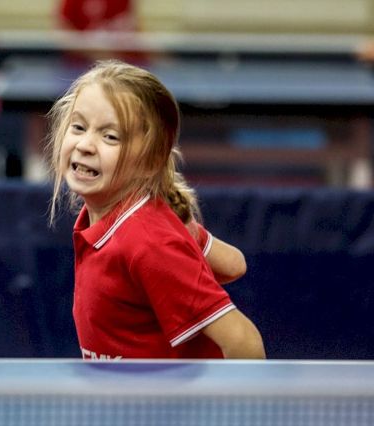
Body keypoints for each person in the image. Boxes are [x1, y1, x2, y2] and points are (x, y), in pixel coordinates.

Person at [47, 59, 265, 359]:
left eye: (110, 136)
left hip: (170, 394)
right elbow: (234, 265)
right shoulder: (119, 222)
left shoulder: (147, 242)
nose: (85, 144)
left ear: (151, 161)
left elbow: (244, 340)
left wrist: (238, 404)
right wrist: (185, 233)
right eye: (79, 127)